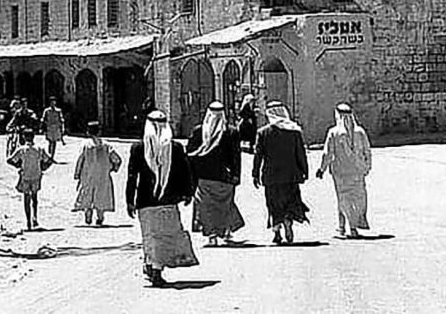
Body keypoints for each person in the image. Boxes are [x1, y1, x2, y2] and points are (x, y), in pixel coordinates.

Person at [126, 110, 198, 287]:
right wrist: (188, 193)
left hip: (145, 201)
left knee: (150, 235)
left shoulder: (138, 148)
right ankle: (154, 268)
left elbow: (132, 176)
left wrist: (129, 200)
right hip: (168, 200)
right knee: (165, 235)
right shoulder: (176, 148)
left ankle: (153, 267)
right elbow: (185, 173)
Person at [252, 101, 310, 245]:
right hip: (291, 175)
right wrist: (304, 170)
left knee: (273, 203)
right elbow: (300, 153)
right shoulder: (294, 131)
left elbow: (258, 155)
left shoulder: (263, 133)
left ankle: (277, 231)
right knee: (290, 201)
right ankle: (288, 221)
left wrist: (255, 174)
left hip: (271, 176)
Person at [188, 101, 244, 246]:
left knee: (206, 208)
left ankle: (212, 235)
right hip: (225, 177)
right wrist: (236, 175)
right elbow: (236, 156)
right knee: (225, 206)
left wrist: (192, 176)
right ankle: (226, 231)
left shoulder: (199, 131)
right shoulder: (231, 132)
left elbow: (190, 156)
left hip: (204, 177)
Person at [316, 103, 372, 239]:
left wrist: (322, 169)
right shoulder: (360, 132)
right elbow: (367, 152)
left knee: (343, 198)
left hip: (341, 172)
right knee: (355, 198)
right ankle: (342, 226)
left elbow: (328, 154)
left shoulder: (334, 132)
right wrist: (367, 166)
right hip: (357, 171)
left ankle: (351, 227)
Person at [73, 121, 122, 226]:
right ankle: (100, 217)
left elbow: (80, 159)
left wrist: (77, 173)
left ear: (88, 132)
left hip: (88, 174)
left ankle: (88, 213)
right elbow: (117, 159)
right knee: (101, 195)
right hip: (103, 175)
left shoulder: (85, 145)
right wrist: (114, 168)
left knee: (87, 194)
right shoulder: (107, 145)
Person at [7, 128, 53, 230]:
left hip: (25, 176)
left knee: (26, 199)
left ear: (24, 137)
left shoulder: (21, 150)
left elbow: (9, 160)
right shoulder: (39, 149)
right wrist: (43, 168)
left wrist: (18, 166)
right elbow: (49, 160)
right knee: (35, 198)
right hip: (36, 175)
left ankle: (28, 221)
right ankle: (35, 217)